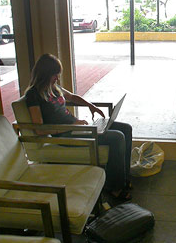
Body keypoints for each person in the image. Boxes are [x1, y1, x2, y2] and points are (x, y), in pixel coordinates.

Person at [25, 53, 133, 201]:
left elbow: (72, 97)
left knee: (126, 128)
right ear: (44, 74)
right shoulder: (33, 95)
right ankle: (114, 186)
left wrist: (91, 106)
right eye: (54, 75)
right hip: (64, 135)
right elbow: (39, 129)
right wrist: (70, 126)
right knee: (117, 137)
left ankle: (124, 178)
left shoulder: (53, 87)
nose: (57, 78)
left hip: (75, 128)